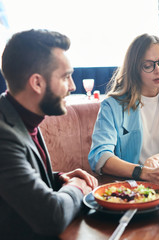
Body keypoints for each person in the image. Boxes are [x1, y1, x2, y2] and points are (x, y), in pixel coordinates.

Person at [0, 29, 98, 239]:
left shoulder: (21, 116)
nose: (72, 86)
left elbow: (13, 186)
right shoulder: (3, 135)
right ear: (37, 83)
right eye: (65, 77)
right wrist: (78, 187)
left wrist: (59, 179)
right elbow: (50, 217)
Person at [88, 33, 159, 186]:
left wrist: (156, 158)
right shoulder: (112, 106)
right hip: (130, 186)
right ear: (135, 69)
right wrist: (144, 172)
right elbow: (100, 156)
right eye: (148, 65)